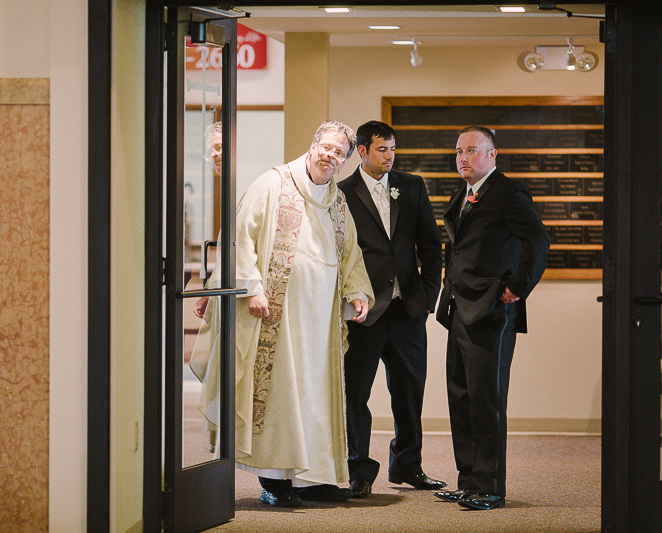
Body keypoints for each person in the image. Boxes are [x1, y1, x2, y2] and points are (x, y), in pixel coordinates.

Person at [191, 120, 375, 508]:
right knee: (280, 394)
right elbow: (240, 235)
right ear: (313, 145)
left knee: (314, 394)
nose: (331, 156)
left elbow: (351, 252)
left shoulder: (337, 201)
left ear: (344, 160)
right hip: (276, 312)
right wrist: (252, 288)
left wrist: (357, 291)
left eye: (339, 153)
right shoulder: (272, 184)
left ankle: (314, 477)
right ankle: (276, 480)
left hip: (320, 317)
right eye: (326, 147)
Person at [434, 126, 549, 510]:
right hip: (460, 308)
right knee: (461, 397)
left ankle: (490, 486)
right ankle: (468, 481)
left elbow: (537, 239)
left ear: (492, 155)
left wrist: (518, 286)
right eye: (458, 152)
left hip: (491, 309)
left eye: (471, 151)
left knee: (486, 399)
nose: (463, 158)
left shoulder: (508, 191)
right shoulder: (463, 193)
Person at [338, 120, 445, 498]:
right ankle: (359, 472)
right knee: (356, 395)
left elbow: (432, 246)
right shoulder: (342, 193)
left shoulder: (411, 185)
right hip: (364, 313)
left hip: (407, 310)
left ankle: (408, 465)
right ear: (363, 151)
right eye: (382, 149)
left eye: (393, 149)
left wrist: (426, 298)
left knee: (409, 392)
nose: (390, 156)